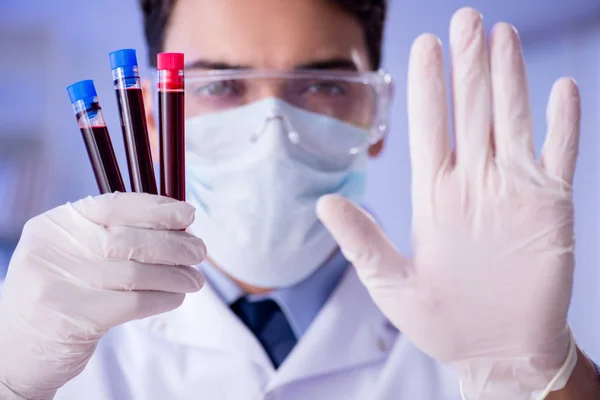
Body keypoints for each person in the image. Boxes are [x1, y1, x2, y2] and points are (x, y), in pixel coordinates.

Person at [0, 0, 599, 398]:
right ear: (153, 120)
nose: (273, 133)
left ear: (377, 116)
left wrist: (543, 378)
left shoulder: (471, 341)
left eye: (322, 85)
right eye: (222, 85)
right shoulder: (67, 355)